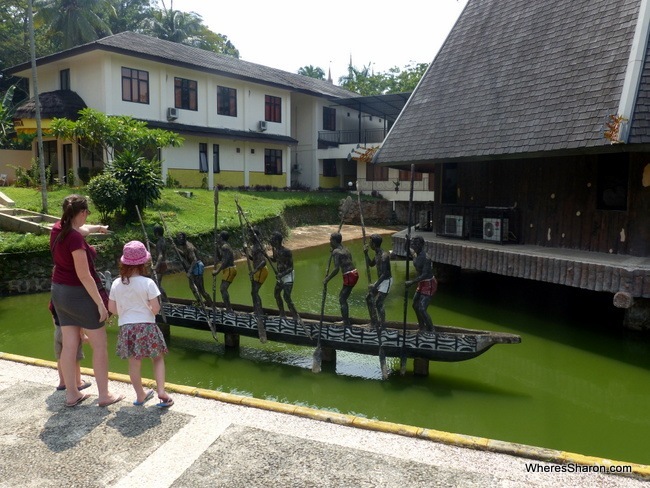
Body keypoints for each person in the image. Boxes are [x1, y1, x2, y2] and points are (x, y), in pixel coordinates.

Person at [50, 194, 124, 408]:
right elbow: (85, 276)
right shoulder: (75, 239)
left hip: (60, 293)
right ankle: (104, 395)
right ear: (81, 213)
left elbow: (81, 229)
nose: (87, 218)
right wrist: (101, 304)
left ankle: (72, 394)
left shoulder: (58, 229)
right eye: (87, 214)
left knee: (70, 344)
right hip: (79, 294)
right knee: (100, 346)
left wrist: (98, 227)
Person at [108, 241, 173, 408]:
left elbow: (112, 309)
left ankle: (140, 395)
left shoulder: (117, 283)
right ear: (144, 262)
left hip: (127, 328)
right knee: (157, 358)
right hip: (147, 326)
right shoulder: (148, 283)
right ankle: (161, 392)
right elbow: (156, 309)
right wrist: (149, 309)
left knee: (134, 363)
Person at [50, 301, 91, 392]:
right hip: (71, 331)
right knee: (74, 358)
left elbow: (52, 314)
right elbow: (77, 319)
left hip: (58, 329)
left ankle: (62, 382)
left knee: (60, 357)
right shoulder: (71, 297)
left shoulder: (54, 297)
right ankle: (78, 382)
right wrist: (82, 334)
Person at [323, 232, 359, 326]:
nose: (329, 241)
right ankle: (346, 319)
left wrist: (327, 279)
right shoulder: (346, 249)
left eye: (330, 239)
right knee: (343, 298)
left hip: (348, 275)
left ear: (334, 241)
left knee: (342, 299)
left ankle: (345, 322)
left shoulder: (336, 252)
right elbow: (347, 260)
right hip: (354, 273)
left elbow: (336, 269)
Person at [405, 236, 437, 332]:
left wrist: (411, 282)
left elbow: (425, 274)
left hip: (429, 284)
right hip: (421, 283)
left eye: (417, 244)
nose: (414, 246)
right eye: (413, 244)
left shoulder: (426, 258)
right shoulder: (415, 254)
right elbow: (407, 250)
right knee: (415, 305)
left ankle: (431, 330)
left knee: (422, 308)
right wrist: (407, 241)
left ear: (422, 245)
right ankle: (422, 327)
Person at [269, 231, 300, 322]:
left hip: (288, 276)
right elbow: (275, 260)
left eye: (273, 239)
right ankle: (282, 314)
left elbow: (291, 267)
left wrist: (281, 274)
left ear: (278, 240)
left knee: (286, 297)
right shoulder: (275, 250)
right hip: (280, 277)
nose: (271, 241)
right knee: (276, 294)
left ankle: (295, 316)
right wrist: (266, 256)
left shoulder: (287, 251)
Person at [364, 233, 393, 329]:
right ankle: (374, 322)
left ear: (374, 244)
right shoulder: (377, 254)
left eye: (370, 242)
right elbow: (371, 264)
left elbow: (385, 274)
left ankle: (383, 325)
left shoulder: (384, 256)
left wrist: (375, 285)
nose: (369, 243)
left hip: (386, 281)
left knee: (378, 302)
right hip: (381, 280)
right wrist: (366, 253)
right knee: (368, 298)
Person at [175, 232, 212, 305]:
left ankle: (212, 307)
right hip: (193, 266)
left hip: (197, 266)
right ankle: (200, 302)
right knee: (192, 286)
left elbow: (194, 259)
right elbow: (185, 255)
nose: (179, 240)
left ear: (184, 239)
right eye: (178, 239)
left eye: (180, 239)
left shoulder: (189, 247)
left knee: (201, 290)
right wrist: (176, 249)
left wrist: (189, 271)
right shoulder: (184, 246)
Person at [212, 230, 236, 312]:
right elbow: (220, 258)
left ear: (221, 238)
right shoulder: (223, 247)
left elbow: (224, 262)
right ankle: (228, 308)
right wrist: (216, 249)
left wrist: (216, 272)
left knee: (223, 289)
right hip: (228, 270)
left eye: (218, 237)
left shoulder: (225, 247)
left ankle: (229, 309)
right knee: (223, 289)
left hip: (230, 269)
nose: (217, 239)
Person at [246, 226, 268, 317]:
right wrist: (247, 254)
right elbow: (254, 259)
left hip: (261, 271)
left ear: (254, 236)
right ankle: (257, 311)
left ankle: (259, 312)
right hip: (258, 271)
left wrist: (254, 271)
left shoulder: (258, 246)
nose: (249, 237)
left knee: (254, 292)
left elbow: (263, 262)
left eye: (250, 235)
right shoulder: (255, 246)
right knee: (253, 292)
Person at [152, 224, 168, 300]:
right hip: (164, 263)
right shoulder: (163, 240)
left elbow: (160, 255)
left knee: (156, 283)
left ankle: (165, 300)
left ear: (156, 233)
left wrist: (156, 266)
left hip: (161, 265)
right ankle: (164, 300)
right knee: (157, 283)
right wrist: (150, 243)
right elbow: (159, 248)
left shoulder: (159, 242)